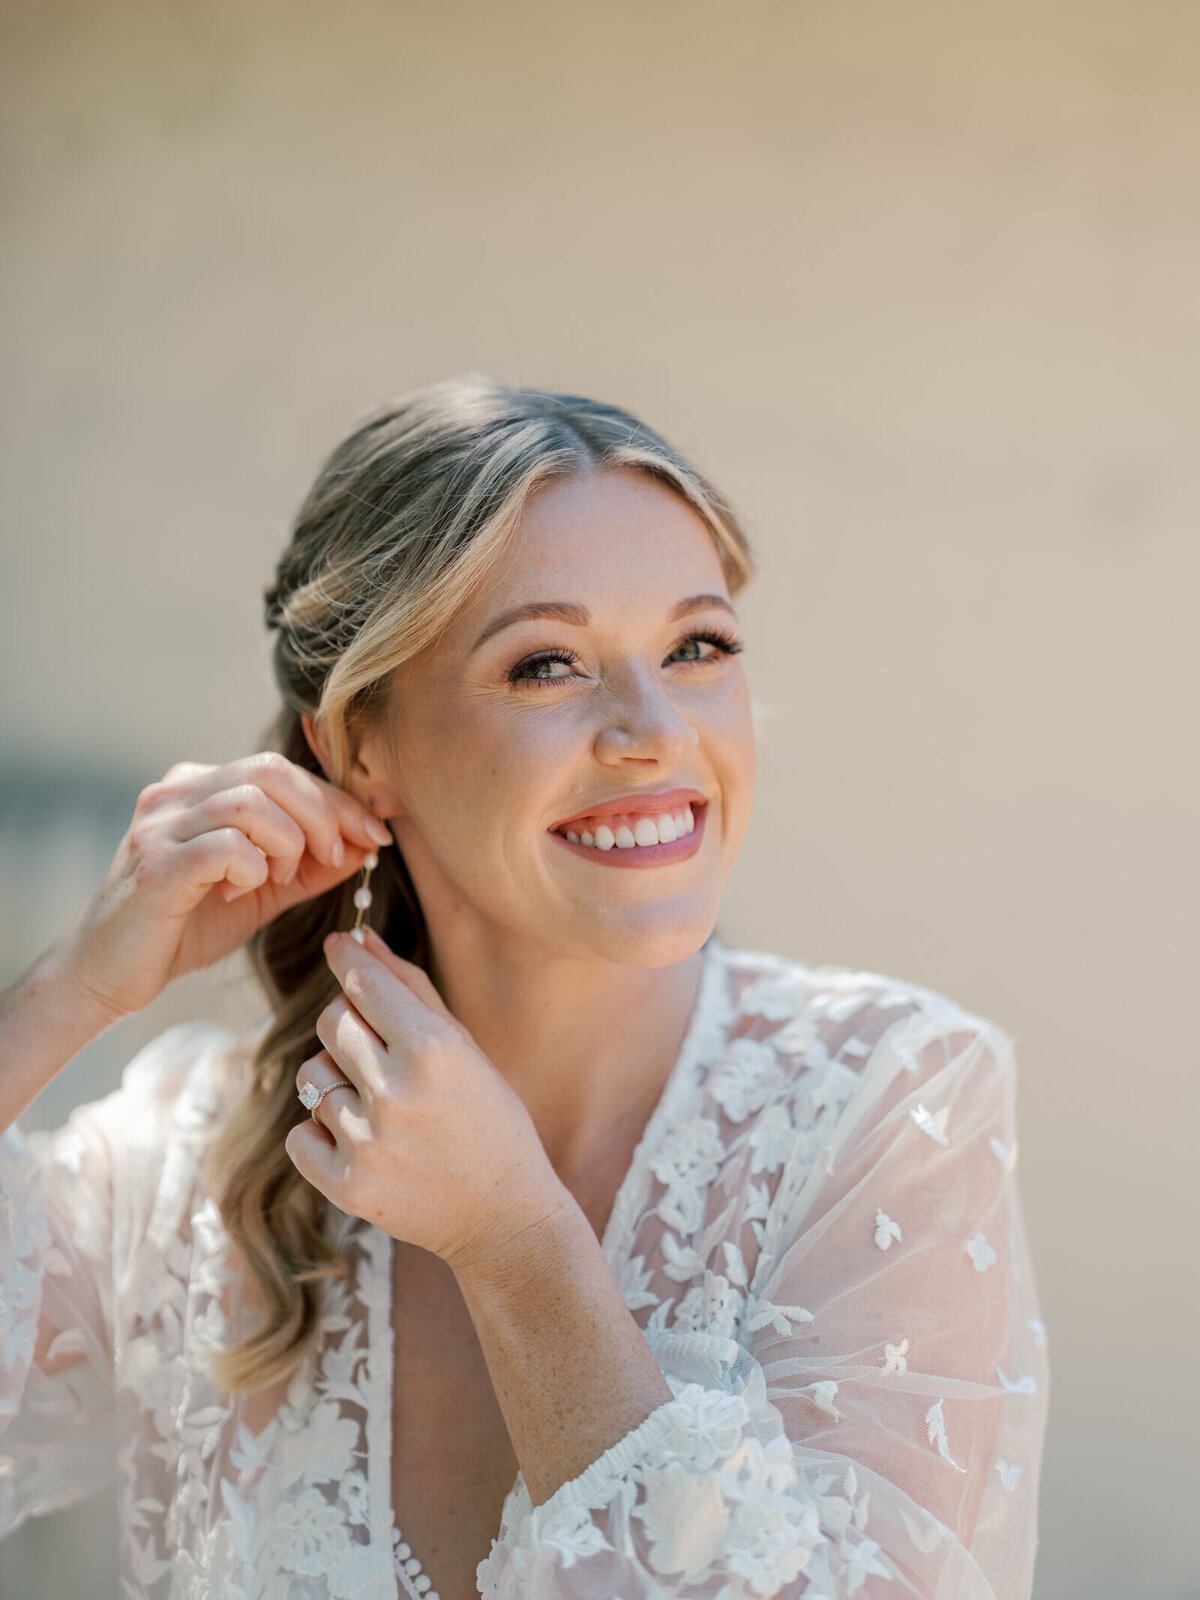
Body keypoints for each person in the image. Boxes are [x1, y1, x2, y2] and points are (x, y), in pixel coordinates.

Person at [0, 376, 1048, 1600]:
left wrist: (517, 1244)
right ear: (357, 747)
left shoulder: (890, 1107)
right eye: (548, 664)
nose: (653, 730)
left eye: (696, 646)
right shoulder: (187, 1169)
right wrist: (65, 993)